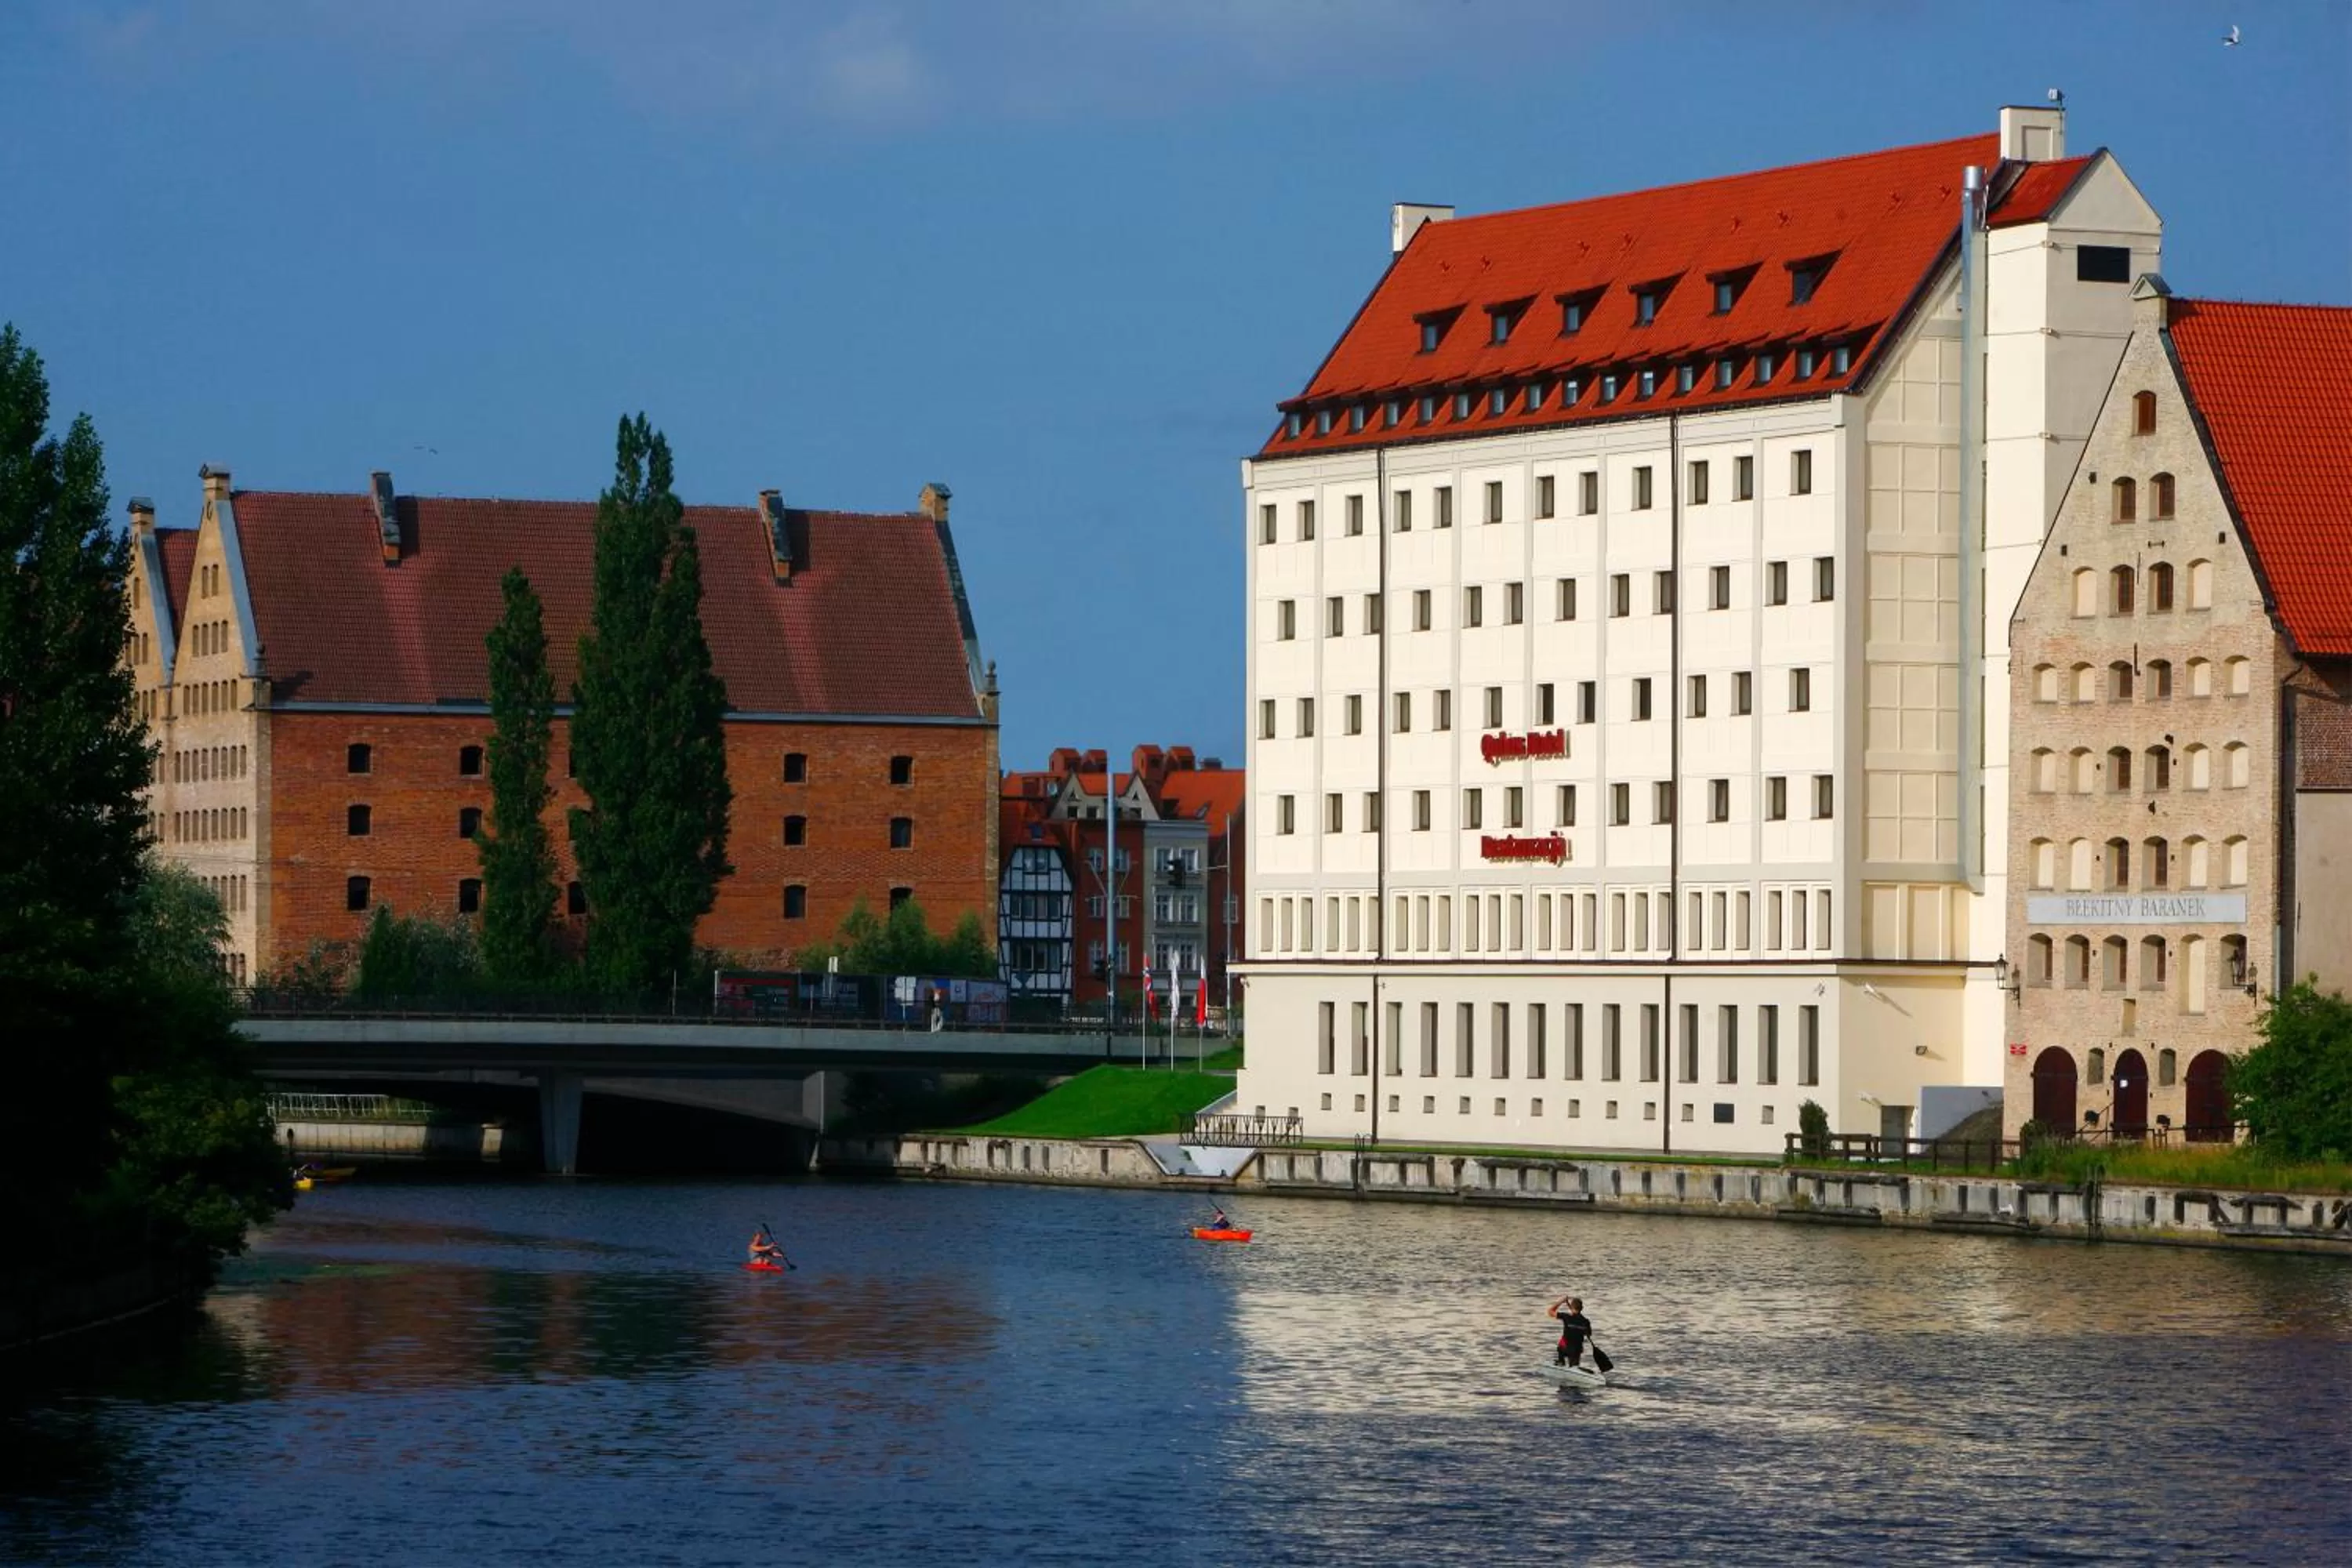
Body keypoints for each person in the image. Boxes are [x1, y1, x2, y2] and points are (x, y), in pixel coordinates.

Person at [1550, 1294, 1592, 1368]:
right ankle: (1574, 1368)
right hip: (1577, 1351)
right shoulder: (1586, 1321)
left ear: (1572, 1308)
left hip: (1565, 1348)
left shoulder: (1566, 1317)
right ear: (1582, 1308)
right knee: (1574, 1364)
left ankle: (1561, 1361)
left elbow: (1550, 1311)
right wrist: (1578, 1328)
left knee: (1562, 1342)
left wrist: (1561, 1302)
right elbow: (1589, 1334)